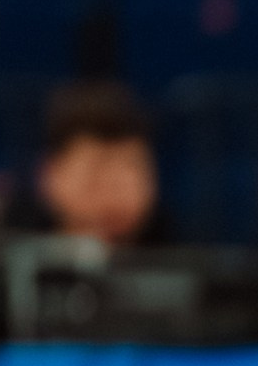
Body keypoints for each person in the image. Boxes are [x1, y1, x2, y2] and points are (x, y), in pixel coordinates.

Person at [32, 80, 163, 247]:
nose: (114, 198)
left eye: (131, 169)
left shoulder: (184, 265)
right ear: (49, 174)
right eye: (96, 175)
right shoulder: (9, 265)